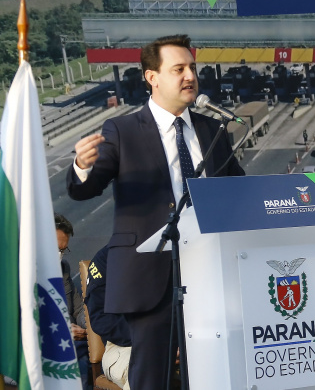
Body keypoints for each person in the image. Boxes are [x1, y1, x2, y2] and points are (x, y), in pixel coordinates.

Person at [66, 35, 245, 390]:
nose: (189, 76)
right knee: (154, 379)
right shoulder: (124, 130)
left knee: (219, 375)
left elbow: (238, 190)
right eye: (178, 69)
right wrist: (81, 167)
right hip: (150, 279)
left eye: (192, 68)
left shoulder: (213, 129)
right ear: (152, 77)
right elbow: (86, 187)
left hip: (212, 274)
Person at [86, 246, 132, 389]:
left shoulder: (176, 250)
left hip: (183, 341)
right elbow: (101, 319)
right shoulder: (107, 258)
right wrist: (151, 339)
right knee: (146, 370)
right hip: (124, 346)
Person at [56, 214, 90, 390]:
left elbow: (78, 309)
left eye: (63, 250)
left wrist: (90, 326)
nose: (59, 255)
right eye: (56, 249)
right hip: (42, 347)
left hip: (75, 343)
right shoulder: (17, 273)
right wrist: (61, 331)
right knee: (79, 364)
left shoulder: (63, 269)